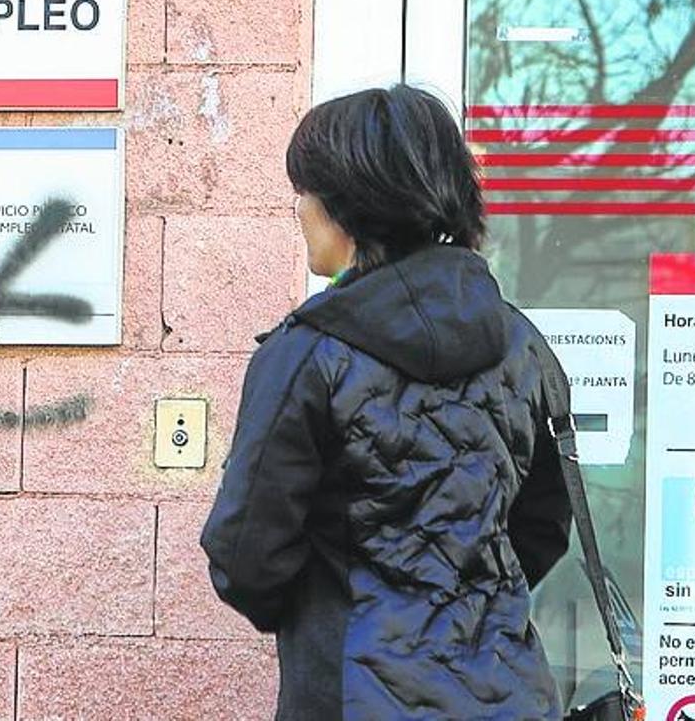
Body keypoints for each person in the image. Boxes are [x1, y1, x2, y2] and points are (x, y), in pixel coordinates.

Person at [200, 85, 573, 720]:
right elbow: (542, 527)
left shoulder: (307, 354)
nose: (298, 209)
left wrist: (329, 612)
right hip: (509, 695)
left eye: (306, 190)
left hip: (349, 695)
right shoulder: (522, 345)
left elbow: (245, 557)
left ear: (346, 206)